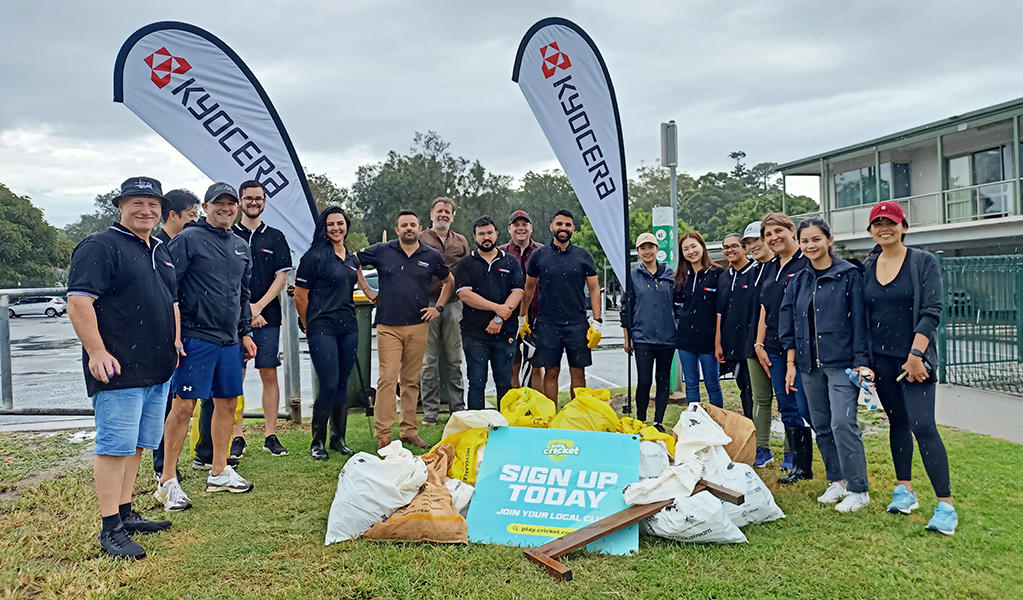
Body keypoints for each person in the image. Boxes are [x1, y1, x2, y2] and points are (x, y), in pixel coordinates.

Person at [67, 176, 177, 559]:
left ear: (161, 209)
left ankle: (126, 511)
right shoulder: (101, 247)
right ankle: (109, 527)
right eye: (137, 203)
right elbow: (79, 302)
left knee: (138, 445)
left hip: (156, 367)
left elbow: (170, 302)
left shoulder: (161, 250)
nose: (145, 210)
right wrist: (96, 351)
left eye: (152, 204)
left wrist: (175, 342)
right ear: (120, 206)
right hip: (117, 369)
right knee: (115, 447)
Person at [156, 182, 257, 511]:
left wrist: (245, 332)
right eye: (219, 203)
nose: (225, 209)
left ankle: (219, 471)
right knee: (183, 406)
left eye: (231, 203)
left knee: (227, 403)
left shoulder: (242, 246)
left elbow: (243, 295)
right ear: (206, 206)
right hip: (194, 337)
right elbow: (168, 289)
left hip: (229, 340)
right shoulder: (187, 239)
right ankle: (167, 480)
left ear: (237, 207)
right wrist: (174, 335)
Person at [862, 201, 957, 534]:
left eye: (891, 222)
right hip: (882, 360)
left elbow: (932, 311)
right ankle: (905, 491)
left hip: (914, 360)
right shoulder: (868, 265)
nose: (884, 227)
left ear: (904, 226)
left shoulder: (922, 263)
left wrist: (916, 354)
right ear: (871, 230)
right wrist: (865, 362)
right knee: (897, 422)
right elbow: (863, 315)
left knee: (923, 425)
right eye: (877, 223)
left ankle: (945, 505)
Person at [779, 217, 871, 513]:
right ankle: (837, 481)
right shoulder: (799, 280)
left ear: (829, 240)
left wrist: (861, 362)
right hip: (808, 366)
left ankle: (859, 488)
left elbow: (860, 321)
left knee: (842, 423)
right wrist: (792, 362)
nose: (810, 246)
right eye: (805, 241)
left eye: (816, 239)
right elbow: (790, 321)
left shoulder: (848, 275)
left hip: (841, 363)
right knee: (821, 424)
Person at [358, 210, 454, 449]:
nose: (408, 228)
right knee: (387, 379)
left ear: (420, 228)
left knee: (411, 381)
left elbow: (449, 281)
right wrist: (367, 291)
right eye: (404, 225)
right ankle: (383, 435)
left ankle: (409, 431)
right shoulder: (382, 251)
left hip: (418, 325)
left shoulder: (431, 255)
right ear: (397, 229)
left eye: (412, 224)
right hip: (388, 325)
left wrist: (438, 308)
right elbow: (353, 262)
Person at [295, 207, 375, 460]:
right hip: (322, 327)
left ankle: (338, 438)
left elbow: (368, 290)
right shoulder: (313, 257)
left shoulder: (352, 259)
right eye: (331, 224)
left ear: (346, 226)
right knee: (328, 384)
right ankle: (316, 441)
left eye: (340, 223)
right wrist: (308, 324)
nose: (336, 228)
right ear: (324, 227)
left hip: (348, 326)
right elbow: (300, 296)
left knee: (342, 385)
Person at [228, 179, 292, 458]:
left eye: (259, 198)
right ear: (239, 201)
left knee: (268, 373)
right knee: (235, 376)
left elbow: (282, 276)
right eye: (249, 198)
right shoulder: (228, 234)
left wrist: (259, 307)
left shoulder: (275, 237)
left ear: (265, 201)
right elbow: (225, 278)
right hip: (232, 318)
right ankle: (236, 435)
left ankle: (270, 434)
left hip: (269, 316)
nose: (254, 202)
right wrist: (246, 310)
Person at [754, 212, 813, 484]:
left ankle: (828, 462)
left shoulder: (806, 263)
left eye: (779, 231)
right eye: (768, 234)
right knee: (787, 406)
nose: (774, 238)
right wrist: (759, 342)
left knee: (808, 408)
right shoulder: (771, 266)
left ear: (792, 230)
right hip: (774, 348)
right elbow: (765, 307)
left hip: (802, 348)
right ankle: (799, 465)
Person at [520, 210, 602, 402]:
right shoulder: (538, 256)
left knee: (578, 373)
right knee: (551, 371)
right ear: (551, 227)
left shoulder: (584, 256)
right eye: (559, 224)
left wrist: (597, 321)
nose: (563, 228)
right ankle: (551, 417)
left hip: (577, 323)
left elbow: (595, 288)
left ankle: (578, 415)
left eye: (567, 225)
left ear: (573, 228)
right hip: (548, 323)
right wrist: (522, 318)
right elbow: (529, 289)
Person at [152, 188, 200, 480]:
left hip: (186, 330)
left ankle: (169, 463)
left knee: (176, 401)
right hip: (163, 332)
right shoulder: (158, 247)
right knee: (164, 401)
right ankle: (162, 466)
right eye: (191, 215)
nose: (194, 221)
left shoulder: (189, 242)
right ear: (173, 215)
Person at [454, 216, 524, 410]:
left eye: (489, 233)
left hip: (505, 333)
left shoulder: (510, 262)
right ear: (475, 237)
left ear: (496, 234)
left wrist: (500, 317)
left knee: (505, 384)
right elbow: (465, 295)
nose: (486, 237)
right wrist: (496, 308)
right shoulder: (466, 263)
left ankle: (505, 428)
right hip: (474, 334)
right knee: (476, 383)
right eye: (481, 234)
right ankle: (476, 427)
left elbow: (518, 292)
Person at [419, 197, 469, 423]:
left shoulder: (460, 241)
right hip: (426, 305)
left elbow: (468, 270)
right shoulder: (420, 239)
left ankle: (457, 409)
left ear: (453, 216)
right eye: (439, 211)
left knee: (454, 360)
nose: (443, 215)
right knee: (428, 361)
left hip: (453, 305)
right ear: (431, 215)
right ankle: (430, 411)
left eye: (447, 212)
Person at [621, 233, 676, 430]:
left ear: (657, 249)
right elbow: (625, 309)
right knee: (644, 380)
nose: (647, 251)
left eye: (650, 247)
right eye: (643, 248)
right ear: (638, 251)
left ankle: (658, 421)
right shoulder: (632, 275)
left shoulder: (669, 274)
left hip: (667, 338)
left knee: (663, 381)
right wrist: (628, 338)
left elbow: (676, 306)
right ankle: (641, 419)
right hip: (642, 337)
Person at [739, 222, 778, 468]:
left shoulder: (781, 268)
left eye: (757, 240)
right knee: (760, 398)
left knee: (787, 402)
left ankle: (795, 451)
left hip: (779, 345)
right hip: (753, 344)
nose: (753, 246)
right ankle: (762, 447)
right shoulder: (752, 272)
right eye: (749, 243)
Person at [674, 231, 723, 407]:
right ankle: (695, 423)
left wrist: (719, 341)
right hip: (686, 341)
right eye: (685, 249)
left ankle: (718, 423)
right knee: (691, 385)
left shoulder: (717, 274)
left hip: (709, 342)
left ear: (702, 246)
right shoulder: (680, 277)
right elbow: (677, 309)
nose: (690, 251)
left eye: (693, 246)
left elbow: (721, 310)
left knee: (712, 384)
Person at [499, 209, 544, 390]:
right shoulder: (500, 253)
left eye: (524, 224)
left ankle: (539, 409)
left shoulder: (542, 252)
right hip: (509, 317)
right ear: (509, 228)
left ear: (531, 227)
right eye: (516, 225)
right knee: (512, 365)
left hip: (537, 318)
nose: (521, 228)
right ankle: (515, 408)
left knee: (536, 365)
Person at [715, 232, 756, 419]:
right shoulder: (724, 277)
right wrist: (718, 343)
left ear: (745, 248)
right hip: (732, 343)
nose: (729, 250)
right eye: (725, 247)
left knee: (754, 389)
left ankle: (759, 433)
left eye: (733, 246)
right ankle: (748, 427)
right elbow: (719, 312)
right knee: (743, 389)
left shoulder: (756, 272)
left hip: (753, 343)